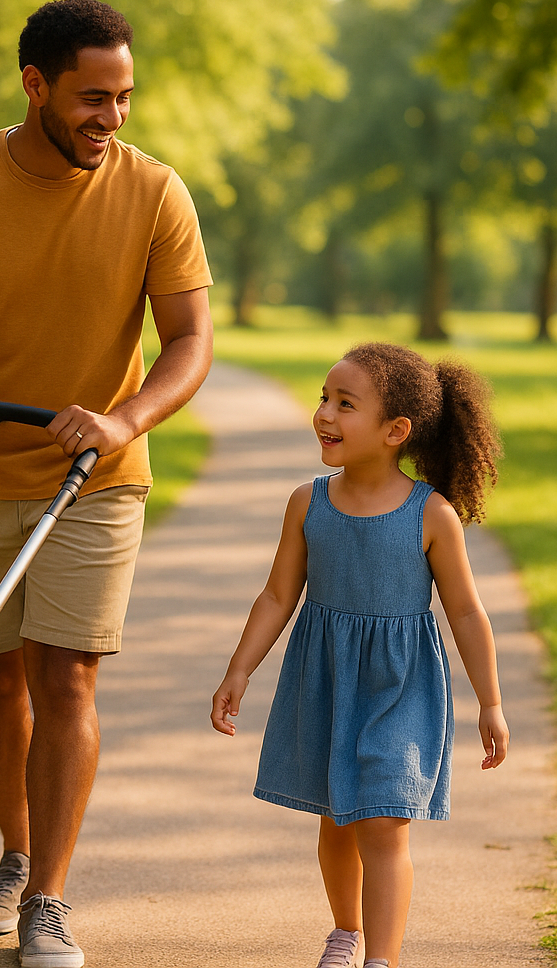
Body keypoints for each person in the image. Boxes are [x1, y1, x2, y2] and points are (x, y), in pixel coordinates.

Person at [0, 0, 212, 968]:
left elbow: (190, 341)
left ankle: (49, 895)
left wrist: (125, 419)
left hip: (95, 474)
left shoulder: (155, 193)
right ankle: (8, 861)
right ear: (35, 85)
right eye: (93, 97)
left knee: (68, 672)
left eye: (126, 97)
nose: (113, 116)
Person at [210, 343, 511, 968]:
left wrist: (491, 702)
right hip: (327, 681)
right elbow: (276, 594)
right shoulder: (308, 502)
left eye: (345, 404)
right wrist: (239, 669)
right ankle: (346, 932)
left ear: (395, 431)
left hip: (401, 687)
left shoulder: (430, 513)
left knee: (383, 821)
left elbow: (465, 613)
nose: (324, 413)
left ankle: (383, 958)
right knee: (338, 820)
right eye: (324, 397)